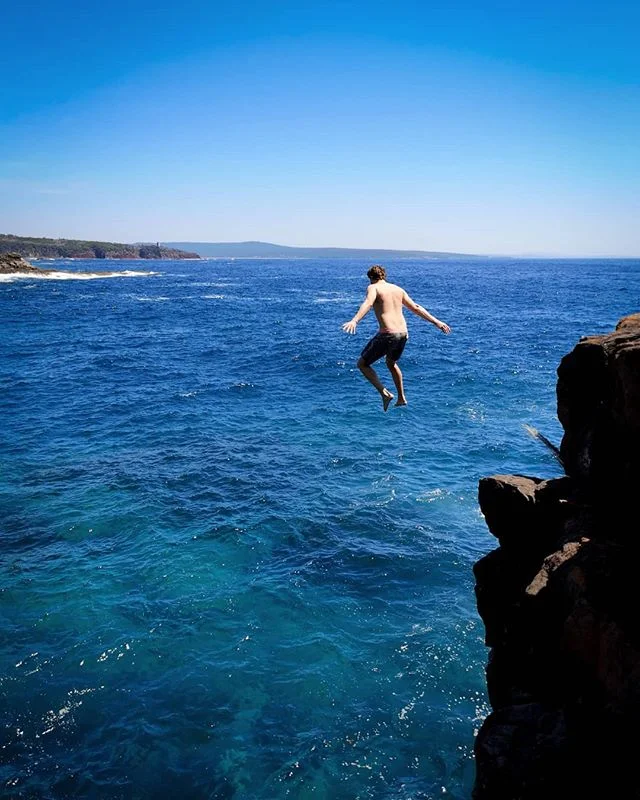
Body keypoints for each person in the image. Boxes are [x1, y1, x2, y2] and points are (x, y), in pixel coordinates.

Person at [342, 265, 451, 411]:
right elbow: (416, 308)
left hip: (388, 333)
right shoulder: (398, 289)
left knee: (362, 364)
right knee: (391, 363)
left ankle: (384, 393)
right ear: (384, 276)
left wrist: (355, 320)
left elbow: (368, 303)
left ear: (371, 278)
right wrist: (437, 322)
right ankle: (401, 397)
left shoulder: (373, 288)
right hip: (403, 334)